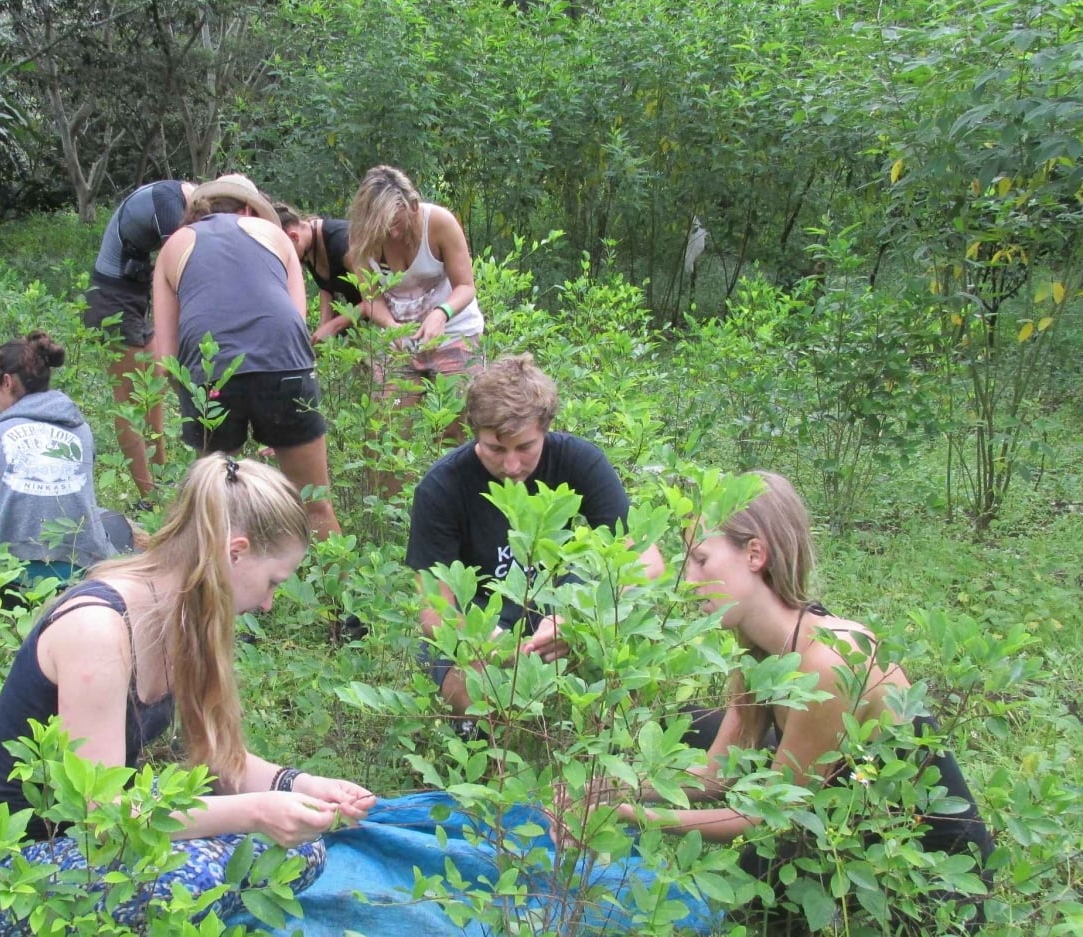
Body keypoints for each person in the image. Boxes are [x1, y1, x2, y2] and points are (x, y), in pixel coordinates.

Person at [0, 454, 376, 932]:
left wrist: (298, 785)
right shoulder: (99, 629)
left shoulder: (186, 615)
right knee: (193, 877)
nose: (270, 603)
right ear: (234, 552)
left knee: (302, 852)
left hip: (91, 849)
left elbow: (209, 754)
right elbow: (104, 814)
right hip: (6, 871)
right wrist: (256, 812)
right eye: (273, 582)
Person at [591, 472, 994, 927]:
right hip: (849, 822)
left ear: (755, 554)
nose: (688, 579)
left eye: (701, 559)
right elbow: (719, 772)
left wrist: (633, 814)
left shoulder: (828, 661)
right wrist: (615, 787)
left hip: (932, 879)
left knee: (760, 883)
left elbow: (767, 818)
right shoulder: (757, 646)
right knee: (695, 726)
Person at [408, 355, 666, 716]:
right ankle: (484, 743)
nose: (511, 466)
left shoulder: (580, 462)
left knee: (622, 640)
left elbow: (648, 561)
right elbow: (435, 609)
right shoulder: (441, 487)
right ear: (472, 432)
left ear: (546, 428)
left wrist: (578, 620)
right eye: (496, 448)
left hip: (561, 607)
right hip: (481, 621)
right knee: (475, 685)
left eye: (525, 447)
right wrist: (496, 647)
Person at [153, 174, 341, 540]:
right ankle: (338, 594)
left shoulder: (174, 246)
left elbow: (166, 359)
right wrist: (279, 417)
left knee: (214, 507)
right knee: (314, 503)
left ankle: (212, 590)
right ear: (249, 209)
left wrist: (198, 399)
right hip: (284, 365)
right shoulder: (275, 237)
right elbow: (295, 327)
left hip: (211, 375)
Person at [0, 331, 127, 586]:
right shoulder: (82, 430)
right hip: (82, 577)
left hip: (10, 578)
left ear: (6, 381)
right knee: (113, 521)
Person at [83, 179, 195, 500]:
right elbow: (180, 269)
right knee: (130, 400)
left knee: (154, 389)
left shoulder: (184, 200)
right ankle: (148, 497)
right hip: (111, 298)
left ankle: (160, 483)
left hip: (135, 295)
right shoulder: (168, 200)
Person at [346, 165, 484, 403]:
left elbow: (466, 286)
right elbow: (371, 298)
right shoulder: (361, 238)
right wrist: (390, 325)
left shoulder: (439, 223)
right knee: (393, 425)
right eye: (384, 227)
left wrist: (441, 313)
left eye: (397, 223)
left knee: (456, 424)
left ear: (413, 205)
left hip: (453, 333)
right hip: (400, 340)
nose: (393, 233)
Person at [273, 201, 362, 344]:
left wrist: (333, 326)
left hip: (388, 317)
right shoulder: (307, 249)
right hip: (359, 320)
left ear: (294, 237)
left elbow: (374, 299)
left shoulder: (341, 241)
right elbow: (326, 288)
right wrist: (320, 335)